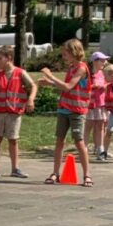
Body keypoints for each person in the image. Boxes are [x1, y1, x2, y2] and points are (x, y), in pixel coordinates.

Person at [39, 40, 92, 187]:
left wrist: (51, 76)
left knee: (79, 142)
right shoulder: (71, 67)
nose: (63, 55)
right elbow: (65, 87)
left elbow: (68, 87)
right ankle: (55, 173)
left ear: (75, 52)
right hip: (64, 108)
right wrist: (50, 83)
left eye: (65, 53)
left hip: (77, 111)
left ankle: (87, 175)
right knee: (59, 141)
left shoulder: (81, 68)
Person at [0, 46, 37, 179]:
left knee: (13, 140)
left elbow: (33, 86)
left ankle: (15, 168)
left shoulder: (20, 72)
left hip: (14, 112)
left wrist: (30, 100)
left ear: (9, 58)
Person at [86, 51, 110, 160]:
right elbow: (84, 86)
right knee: (88, 126)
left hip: (101, 103)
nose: (104, 62)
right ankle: (84, 148)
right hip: (90, 103)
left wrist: (105, 86)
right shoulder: (88, 73)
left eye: (105, 60)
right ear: (94, 61)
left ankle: (100, 148)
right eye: (102, 60)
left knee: (100, 125)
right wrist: (94, 86)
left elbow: (107, 83)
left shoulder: (103, 73)